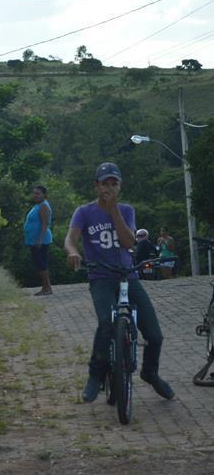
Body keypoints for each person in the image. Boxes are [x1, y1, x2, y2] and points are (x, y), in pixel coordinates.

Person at [64, 162, 174, 403]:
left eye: (114, 184)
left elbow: (128, 243)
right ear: (96, 186)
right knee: (105, 324)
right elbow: (70, 239)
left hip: (128, 275)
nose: (110, 188)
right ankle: (96, 374)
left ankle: (150, 373)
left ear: (120, 187)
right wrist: (73, 252)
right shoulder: (84, 212)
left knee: (154, 335)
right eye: (105, 183)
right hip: (100, 277)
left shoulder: (126, 210)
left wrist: (113, 210)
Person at [25, 185, 54, 296]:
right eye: (34, 193)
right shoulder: (37, 205)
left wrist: (40, 239)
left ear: (44, 195)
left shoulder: (44, 206)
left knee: (41, 263)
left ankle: (47, 288)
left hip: (41, 240)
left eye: (38, 193)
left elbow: (45, 224)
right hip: (34, 240)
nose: (35, 195)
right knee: (40, 263)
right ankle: (46, 287)